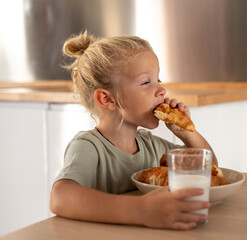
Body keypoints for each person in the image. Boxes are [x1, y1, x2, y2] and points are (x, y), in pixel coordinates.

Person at [50, 31, 218, 230]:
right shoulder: (88, 147)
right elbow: (60, 198)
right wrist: (141, 210)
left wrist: (185, 131)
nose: (162, 91)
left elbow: (208, 170)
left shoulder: (151, 145)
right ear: (107, 99)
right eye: (146, 82)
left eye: (159, 81)